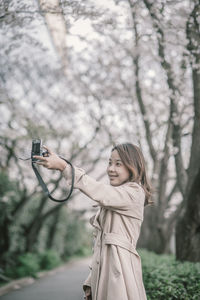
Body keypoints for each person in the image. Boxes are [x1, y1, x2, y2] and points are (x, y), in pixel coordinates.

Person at [33, 143, 153, 300]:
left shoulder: (134, 193)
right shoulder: (116, 198)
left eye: (118, 164)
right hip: (105, 275)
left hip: (121, 275)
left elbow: (100, 192)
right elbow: (102, 248)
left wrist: (63, 166)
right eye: (110, 162)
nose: (111, 169)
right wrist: (91, 281)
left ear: (133, 166)